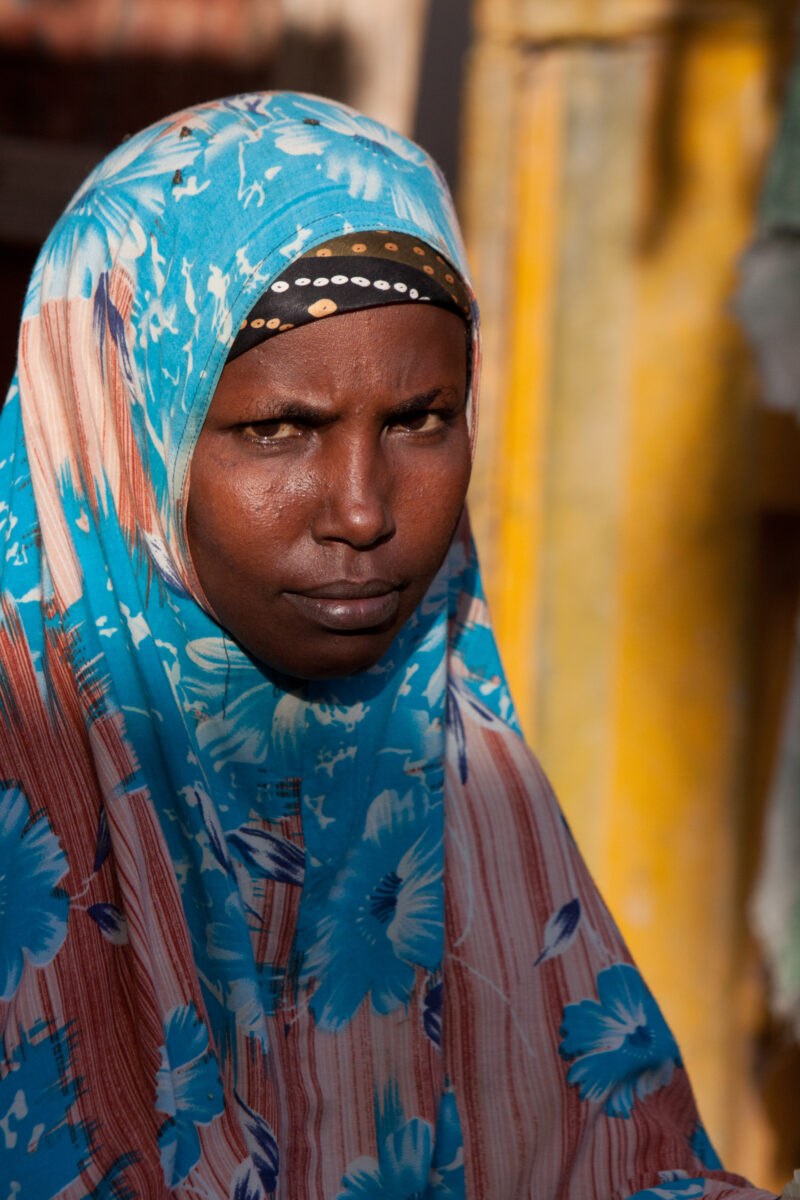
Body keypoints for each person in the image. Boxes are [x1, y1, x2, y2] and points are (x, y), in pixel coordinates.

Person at [0, 91, 777, 1199]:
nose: (362, 511)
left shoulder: (454, 778)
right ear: (120, 440)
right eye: (278, 430)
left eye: (420, 418)